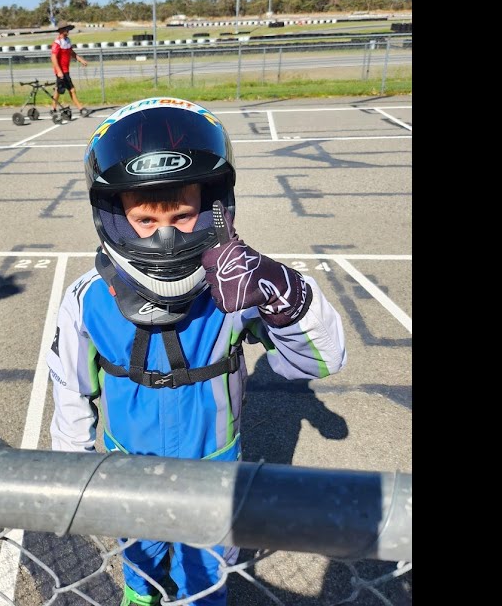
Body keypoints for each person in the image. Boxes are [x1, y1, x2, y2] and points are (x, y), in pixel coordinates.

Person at [46, 97, 348, 606]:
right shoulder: (87, 299)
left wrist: (285, 292)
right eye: (145, 219)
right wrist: (71, 474)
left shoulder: (236, 287)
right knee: (139, 567)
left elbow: (320, 359)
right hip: (127, 464)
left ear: (213, 209)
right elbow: (72, 393)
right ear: (113, 216)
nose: (165, 235)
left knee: (205, 581)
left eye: (183, 216)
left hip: (213, 464)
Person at [49, 24, 89, 115]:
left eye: (68, 29)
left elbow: (71, 53)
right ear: (61, 30)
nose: (68, 31)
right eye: (66, 29)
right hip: (61, 71)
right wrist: (59, 71)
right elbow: (53, 57)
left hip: (66, 70)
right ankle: (80, 108)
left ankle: (54, 108)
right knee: (67, 90)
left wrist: (81, 60)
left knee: (62, 90)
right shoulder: (57, 43)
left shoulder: (67, 41)